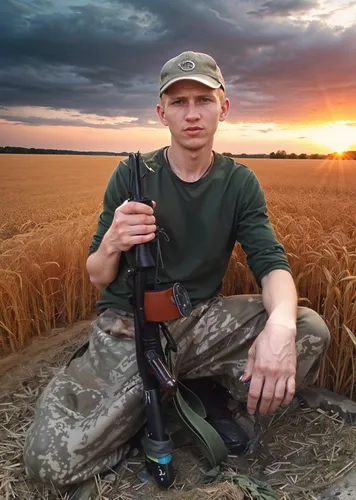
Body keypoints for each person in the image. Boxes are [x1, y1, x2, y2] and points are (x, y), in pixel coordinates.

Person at [23, 51, 330, 491]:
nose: (191, 114)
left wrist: (280, 326)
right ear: (161, 112)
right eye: (179, 102)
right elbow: (97, 275)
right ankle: (161, 399)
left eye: (203, 100)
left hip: (200, 319)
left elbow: (271, 263)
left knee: (307, 329)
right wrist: (113, 240)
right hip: (133, 327)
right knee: (51, 465)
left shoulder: (238, 182)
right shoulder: (133, 175)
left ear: (223, 108)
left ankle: (204, 393)